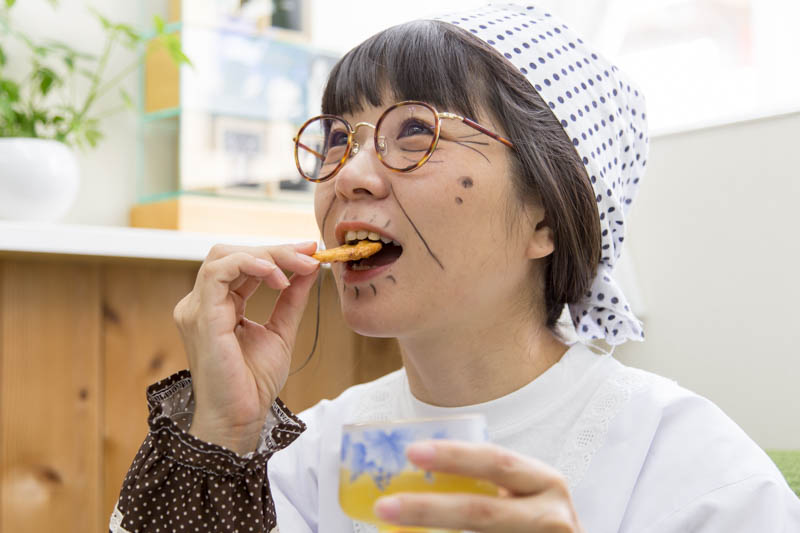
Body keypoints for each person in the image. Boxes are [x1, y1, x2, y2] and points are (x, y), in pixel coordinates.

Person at [109, 4, 800, 532]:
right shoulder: (307, 456)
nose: (347, 174)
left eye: (415, 131)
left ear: (546, 217)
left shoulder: (691, 469)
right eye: (339, 138)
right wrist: (222, 429)